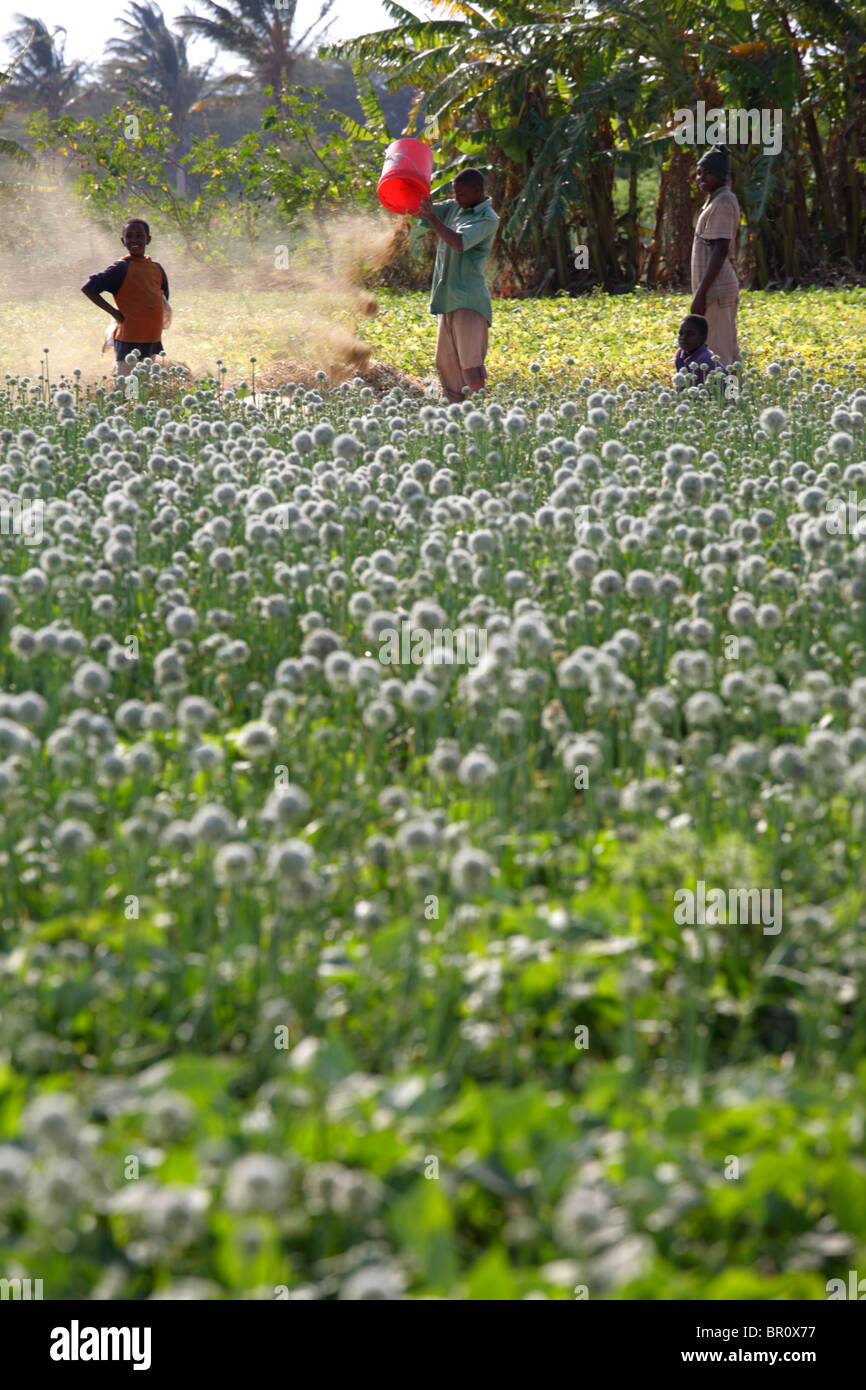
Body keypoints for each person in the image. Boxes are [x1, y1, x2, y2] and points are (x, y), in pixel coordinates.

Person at [417, 169, 499, 403]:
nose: (457, 197)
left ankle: (481, 412)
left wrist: (432, 218)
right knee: (445, 363)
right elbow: (421, 210)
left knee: (470, 363)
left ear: (478, 191)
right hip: (448, 299)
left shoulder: (487, 218)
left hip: (469, 301)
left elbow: (459, 243)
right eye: (455, 192)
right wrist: (416, 193)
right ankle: (457, 413)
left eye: (461, 193)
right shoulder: (456, 207)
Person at [82, 218, 169, 377]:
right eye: (129, 236)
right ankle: (123, 402)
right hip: (129, 337)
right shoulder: (121, 268)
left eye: (139, 235)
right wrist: (115, 313)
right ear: (123, 241)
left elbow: (163, 301)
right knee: (128, 387)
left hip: (151, 336)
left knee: (145, 387)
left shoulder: (157, 269)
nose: (134, 240)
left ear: (148, 239)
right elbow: (88, 288)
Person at [690, 146, 742, 371]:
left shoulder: (723, 202)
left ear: (720, 175)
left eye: (707, 173)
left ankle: (728, 401)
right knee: (726, 349)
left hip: (716, 291)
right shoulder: (714, 200)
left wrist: (701, 295)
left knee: (719, 355)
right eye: (698, 173)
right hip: (713, 290)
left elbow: (720, 250)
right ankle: (735, 400)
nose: (701, 178)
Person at [674, 314, 726, 388]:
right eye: (681, 333)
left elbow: (696, 392)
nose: (683, 338)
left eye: (691, 334)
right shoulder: (680, 354)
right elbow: (680, 387)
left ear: (703, 338)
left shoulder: (705, 359)